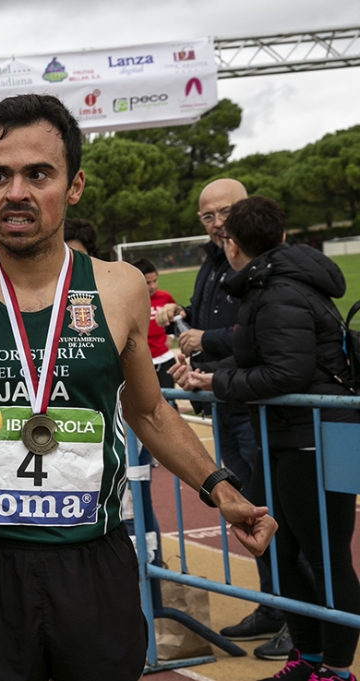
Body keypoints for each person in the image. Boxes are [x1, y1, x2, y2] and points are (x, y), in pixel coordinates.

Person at [0, 94, 275, 680]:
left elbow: (148, 411)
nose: (17, 192)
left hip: (94, 558)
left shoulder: (118, 288)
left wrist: (219, 487)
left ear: (74, 185)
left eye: (38, 174)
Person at [172, 197, 360, 681]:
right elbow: (264, 356)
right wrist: (209, 374)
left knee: (324, 555)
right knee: (282, 549)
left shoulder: (279, 291)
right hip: (288, 438)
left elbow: (286, 372)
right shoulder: (269, 285)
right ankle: (310, 657)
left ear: (232, 245)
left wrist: (216, 382)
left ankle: (336, 671)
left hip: (314, 441)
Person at [157, 179, 287, 650]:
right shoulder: (215, 260)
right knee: (251, 506)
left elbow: (262, 335)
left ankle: (298, 620)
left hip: (259, 407)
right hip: (226, 403)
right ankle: (275, 606)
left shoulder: (262, 263)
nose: (217, 224)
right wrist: (184, 317)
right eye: (207, 217)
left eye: (225, 213)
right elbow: (213, 319)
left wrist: (206, 342)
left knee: (279, 514)